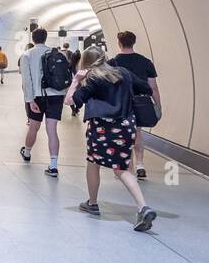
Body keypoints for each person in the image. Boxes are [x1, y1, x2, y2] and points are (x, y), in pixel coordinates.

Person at [66, 46, 157, 231]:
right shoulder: (123, 72)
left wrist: (76, 80)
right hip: (126, 126)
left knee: (93, 163)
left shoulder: (92, 78)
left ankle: (92, 203)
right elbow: (147, 88)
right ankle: (143, 207)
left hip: (101, 128)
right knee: (122, 169)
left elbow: (71, 100)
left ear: (86, 62)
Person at [108, 32, 160, 179]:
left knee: (123, 134)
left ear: (119, 43)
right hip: (140, 104)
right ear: (134, 42)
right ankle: (140, 165)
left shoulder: (112, 63)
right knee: (137, 133)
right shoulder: (145, 62)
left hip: (120, 104)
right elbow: (153, 87)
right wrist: (158, 105)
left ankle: (126, 167)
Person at [19, 28, 69, 176]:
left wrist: (29, 100)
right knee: (52, 130)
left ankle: (27, 153)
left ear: (33, 39)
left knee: (33, 128)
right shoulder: (55, 53)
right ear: (45, 38)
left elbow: (27, 80)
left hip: (37, 96)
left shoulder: (27, 55)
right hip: (56, 95)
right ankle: (53, 166)